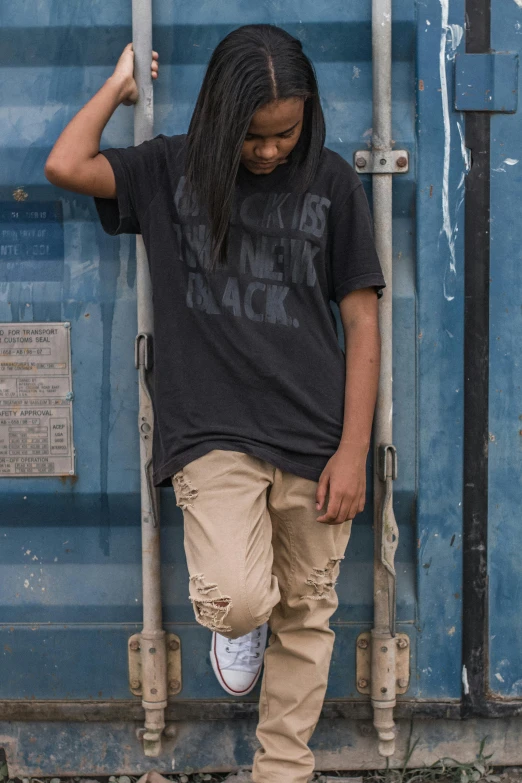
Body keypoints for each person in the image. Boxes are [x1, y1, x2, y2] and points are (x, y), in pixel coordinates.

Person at [44, 24, 385, 783]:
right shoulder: (169, 170)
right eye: (253, 137)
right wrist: (119, 86)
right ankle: (240, 626)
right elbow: (66, 163)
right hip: (212, 435)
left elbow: (362, 318)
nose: (269, 152)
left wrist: (354, 450)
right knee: (238, 596)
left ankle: (282, 770)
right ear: (219, 119)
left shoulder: (329, 182)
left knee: (309, 613)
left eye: (285, 134)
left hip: (315, 432)